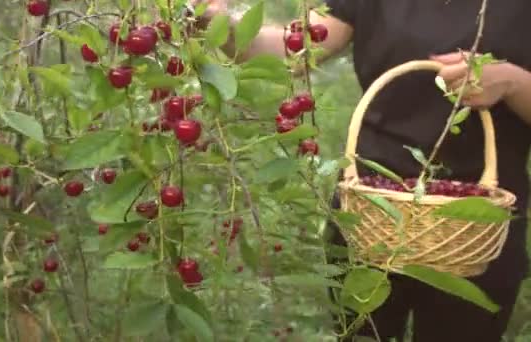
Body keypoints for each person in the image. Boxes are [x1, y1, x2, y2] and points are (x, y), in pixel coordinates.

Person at [191, 0, 531, 341]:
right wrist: (222, 26)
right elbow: (294, 49)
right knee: (363, 332)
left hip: (478, 221)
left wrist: (512, 82)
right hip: (370, 208)